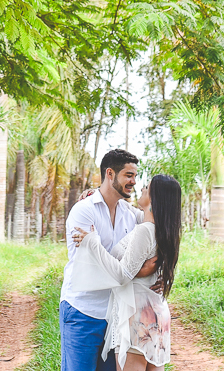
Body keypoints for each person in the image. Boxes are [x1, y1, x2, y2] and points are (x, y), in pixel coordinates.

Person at [70, 174, 183, 371]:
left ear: (154, 198)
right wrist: (96, 194)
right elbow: (128, 209)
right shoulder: (165, 231)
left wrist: (92, 242)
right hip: (156, 313)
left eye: (147, 187)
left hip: (137, 314)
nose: (142, 189)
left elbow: (122, 275)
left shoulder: (144, 231)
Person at [60, 149, 157, 371]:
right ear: (110, 174)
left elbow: (157, 234)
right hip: (82, 311)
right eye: (128, 175)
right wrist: (139, 272)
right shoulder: (84, 211)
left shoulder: (130, 213)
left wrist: (159, 267)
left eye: (135, 175)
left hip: (115, 315)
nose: (133, 181)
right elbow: (90, 267)